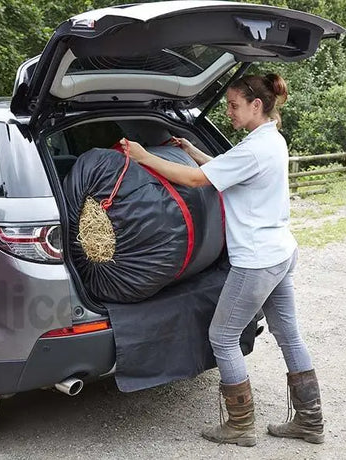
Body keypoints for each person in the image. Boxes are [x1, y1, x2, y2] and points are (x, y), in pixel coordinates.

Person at [119, 73, 324, 447]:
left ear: (255, 105)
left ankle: (239, 425)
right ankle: (310, 422)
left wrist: (145, 156)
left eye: (233, 105)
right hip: (280, 252)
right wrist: (194, 151)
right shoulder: (270, 140)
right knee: (289, 333)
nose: (228, 111)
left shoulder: (255, 148)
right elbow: (229, 171)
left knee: (223, 336)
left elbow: (199, 182)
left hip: (257, 260)